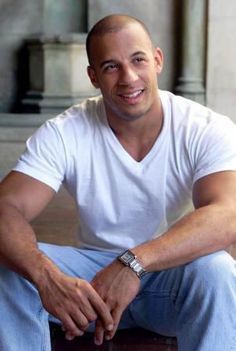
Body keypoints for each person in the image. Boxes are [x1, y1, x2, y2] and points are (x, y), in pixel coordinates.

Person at [0, 14, 236, 351]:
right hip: (90, 285)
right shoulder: (65, 131)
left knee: (217, 270)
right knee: (8, 266)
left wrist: (134, 263)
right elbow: (5, 207)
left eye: (138, 60)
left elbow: (228, 214)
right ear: (93, 77)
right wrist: (47, 278)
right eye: (111, 66)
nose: (128, 77)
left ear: (157, 60)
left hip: (169, 280)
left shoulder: (204, 127)